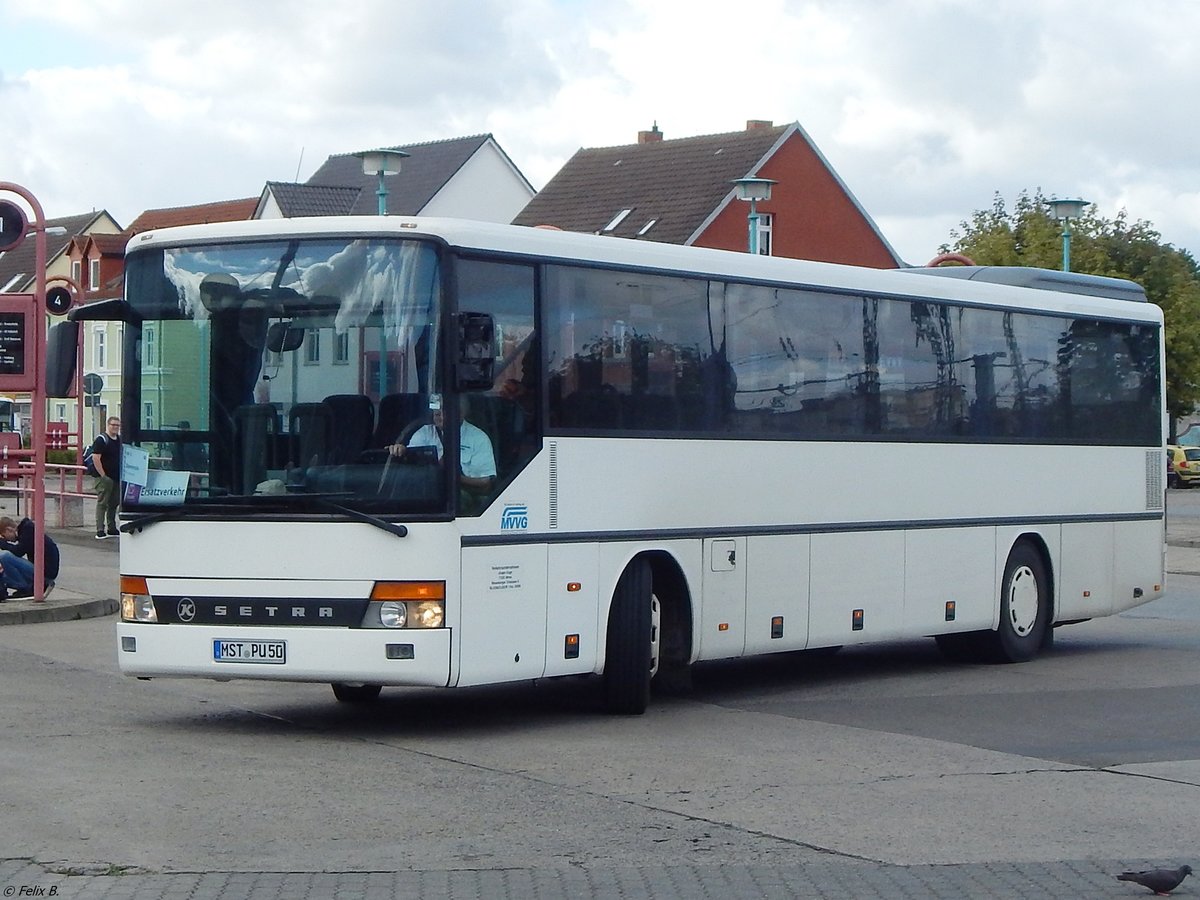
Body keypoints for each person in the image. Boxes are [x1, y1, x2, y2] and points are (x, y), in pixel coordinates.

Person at [386, 395, 496, 493]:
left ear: (461, 412)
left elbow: (485, 483)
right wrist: (400, 451)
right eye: (436, 409)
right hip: (426, 493)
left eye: (443, 408)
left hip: (462, 499)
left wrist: (449, 475)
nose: (438, 413)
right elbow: (410, 460)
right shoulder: (425, 432)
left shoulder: (478, 438)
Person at [0, 515, 60, 601]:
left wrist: (2, 543)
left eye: (4, 536)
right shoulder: (26, 530)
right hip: (40, 570)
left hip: (45, 574)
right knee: (4, 572)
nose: (8, 540)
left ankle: (24, 588)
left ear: (9, 529)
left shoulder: (28, 530)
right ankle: (22, 587)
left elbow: (19, 551)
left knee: (5, 556)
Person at [92, 416, 122, 540]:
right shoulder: (101, 440)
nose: (115, 427)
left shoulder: (119, 439)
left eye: (117, 425)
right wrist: (103, 475)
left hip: (116, 477)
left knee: (114, 503)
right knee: (102, 503)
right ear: (107, 425)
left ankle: (112, 527)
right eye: (113, 425)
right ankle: (100, 529)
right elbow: (96, 458)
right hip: (104, 477)